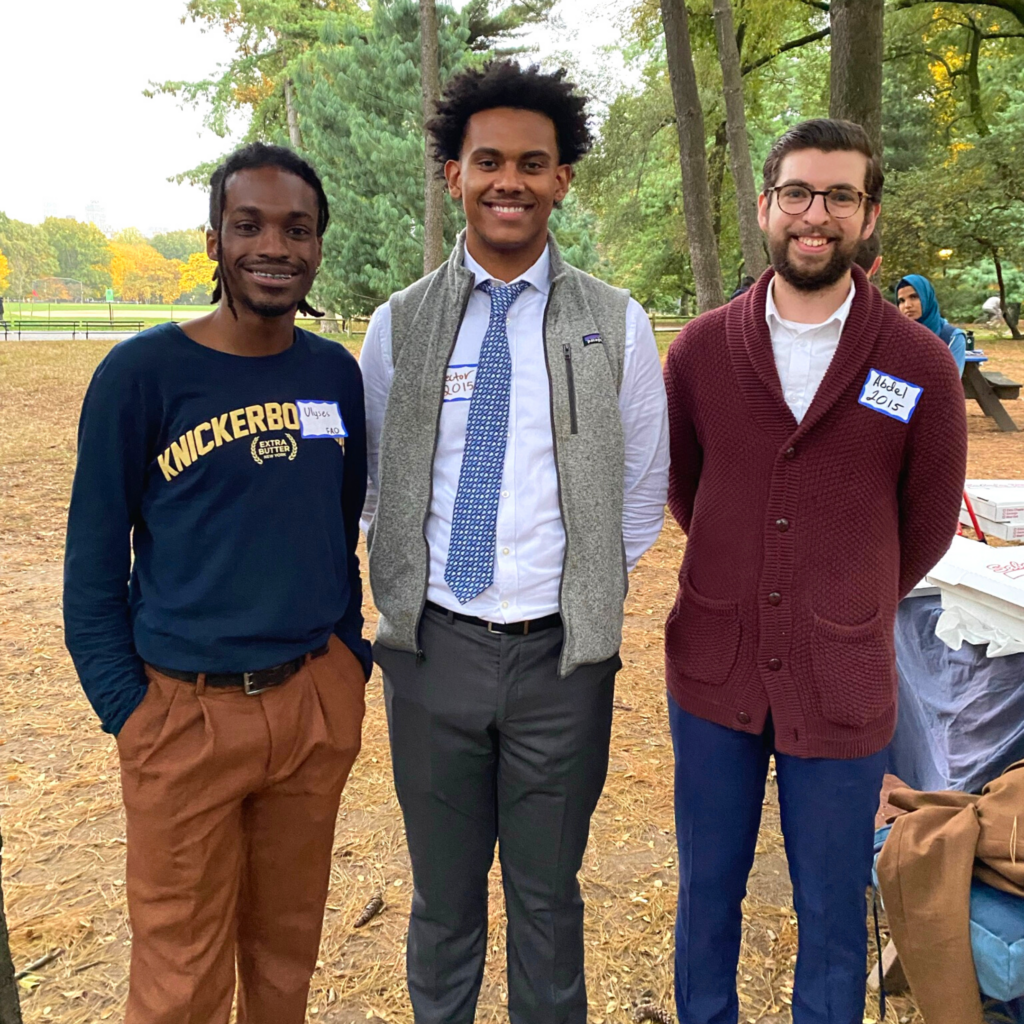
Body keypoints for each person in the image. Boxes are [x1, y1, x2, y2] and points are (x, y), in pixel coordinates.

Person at [360, 60, 669, 1024]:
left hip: (562, 669)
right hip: (434, 654)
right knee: (444, 906)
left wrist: (575, 603)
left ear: (562, 179)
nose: (509, 181)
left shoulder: (613, 324)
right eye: (487, 161)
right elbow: (376, 491)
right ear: (452, 173)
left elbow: (639, 493)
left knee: (547, 900)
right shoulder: (398, 326)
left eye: (533, 164)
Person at [662, 119, 967, 1024]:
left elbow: (925, 523)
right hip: (714, 671)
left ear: (869, 217)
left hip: (844, 679)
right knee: (705, 896)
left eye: (840, 196)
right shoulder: (701, 355)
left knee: (833, 911)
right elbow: (690, 493)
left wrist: (845, 597)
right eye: (797, 192)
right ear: (765, 205)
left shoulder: (916, 366)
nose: (815, 214)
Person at [63, 142, 371, 1024]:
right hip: (183, 716)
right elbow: (91, 569)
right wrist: (132, 710)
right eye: (249, 225)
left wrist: (345, 662)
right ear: (213, 241)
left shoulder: (332, 374)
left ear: (317, 246)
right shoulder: (143, 375)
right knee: (178, 977)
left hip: (310, 706)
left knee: (285, 957)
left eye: (297, 228)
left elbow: (337, 527)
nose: (274, 245)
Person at [895, 274, 967, 375]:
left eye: (914, 297)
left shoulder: (951, 337)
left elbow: (950, 383)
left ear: (927, 297)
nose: (907, 305)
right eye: (901, 301)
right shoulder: (895, 336)